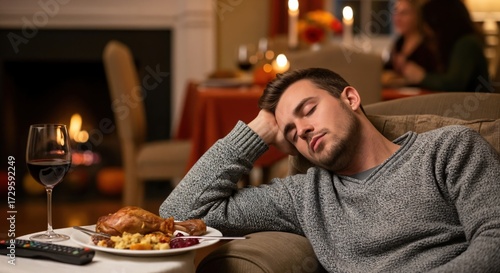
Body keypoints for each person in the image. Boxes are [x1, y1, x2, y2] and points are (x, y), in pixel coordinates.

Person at [160, 68, 500, 272]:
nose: (302, 130)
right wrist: (259, 130)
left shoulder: (448, 149)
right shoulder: (305, 196)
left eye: (308, 110)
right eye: (290, 132)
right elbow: (180, 212)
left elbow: (494, 238)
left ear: (350, 99)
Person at [402, 0, 490, 92]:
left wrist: (422, 77)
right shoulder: (461, 43)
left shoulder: (466, 44)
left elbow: (454, 84)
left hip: (474, 104)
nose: (427, 31)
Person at [382, 0, 440, 87]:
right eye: (396, 12)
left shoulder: (428, 45)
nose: (398, 18)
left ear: (417, 16)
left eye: (404, 13)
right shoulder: (398, 43)